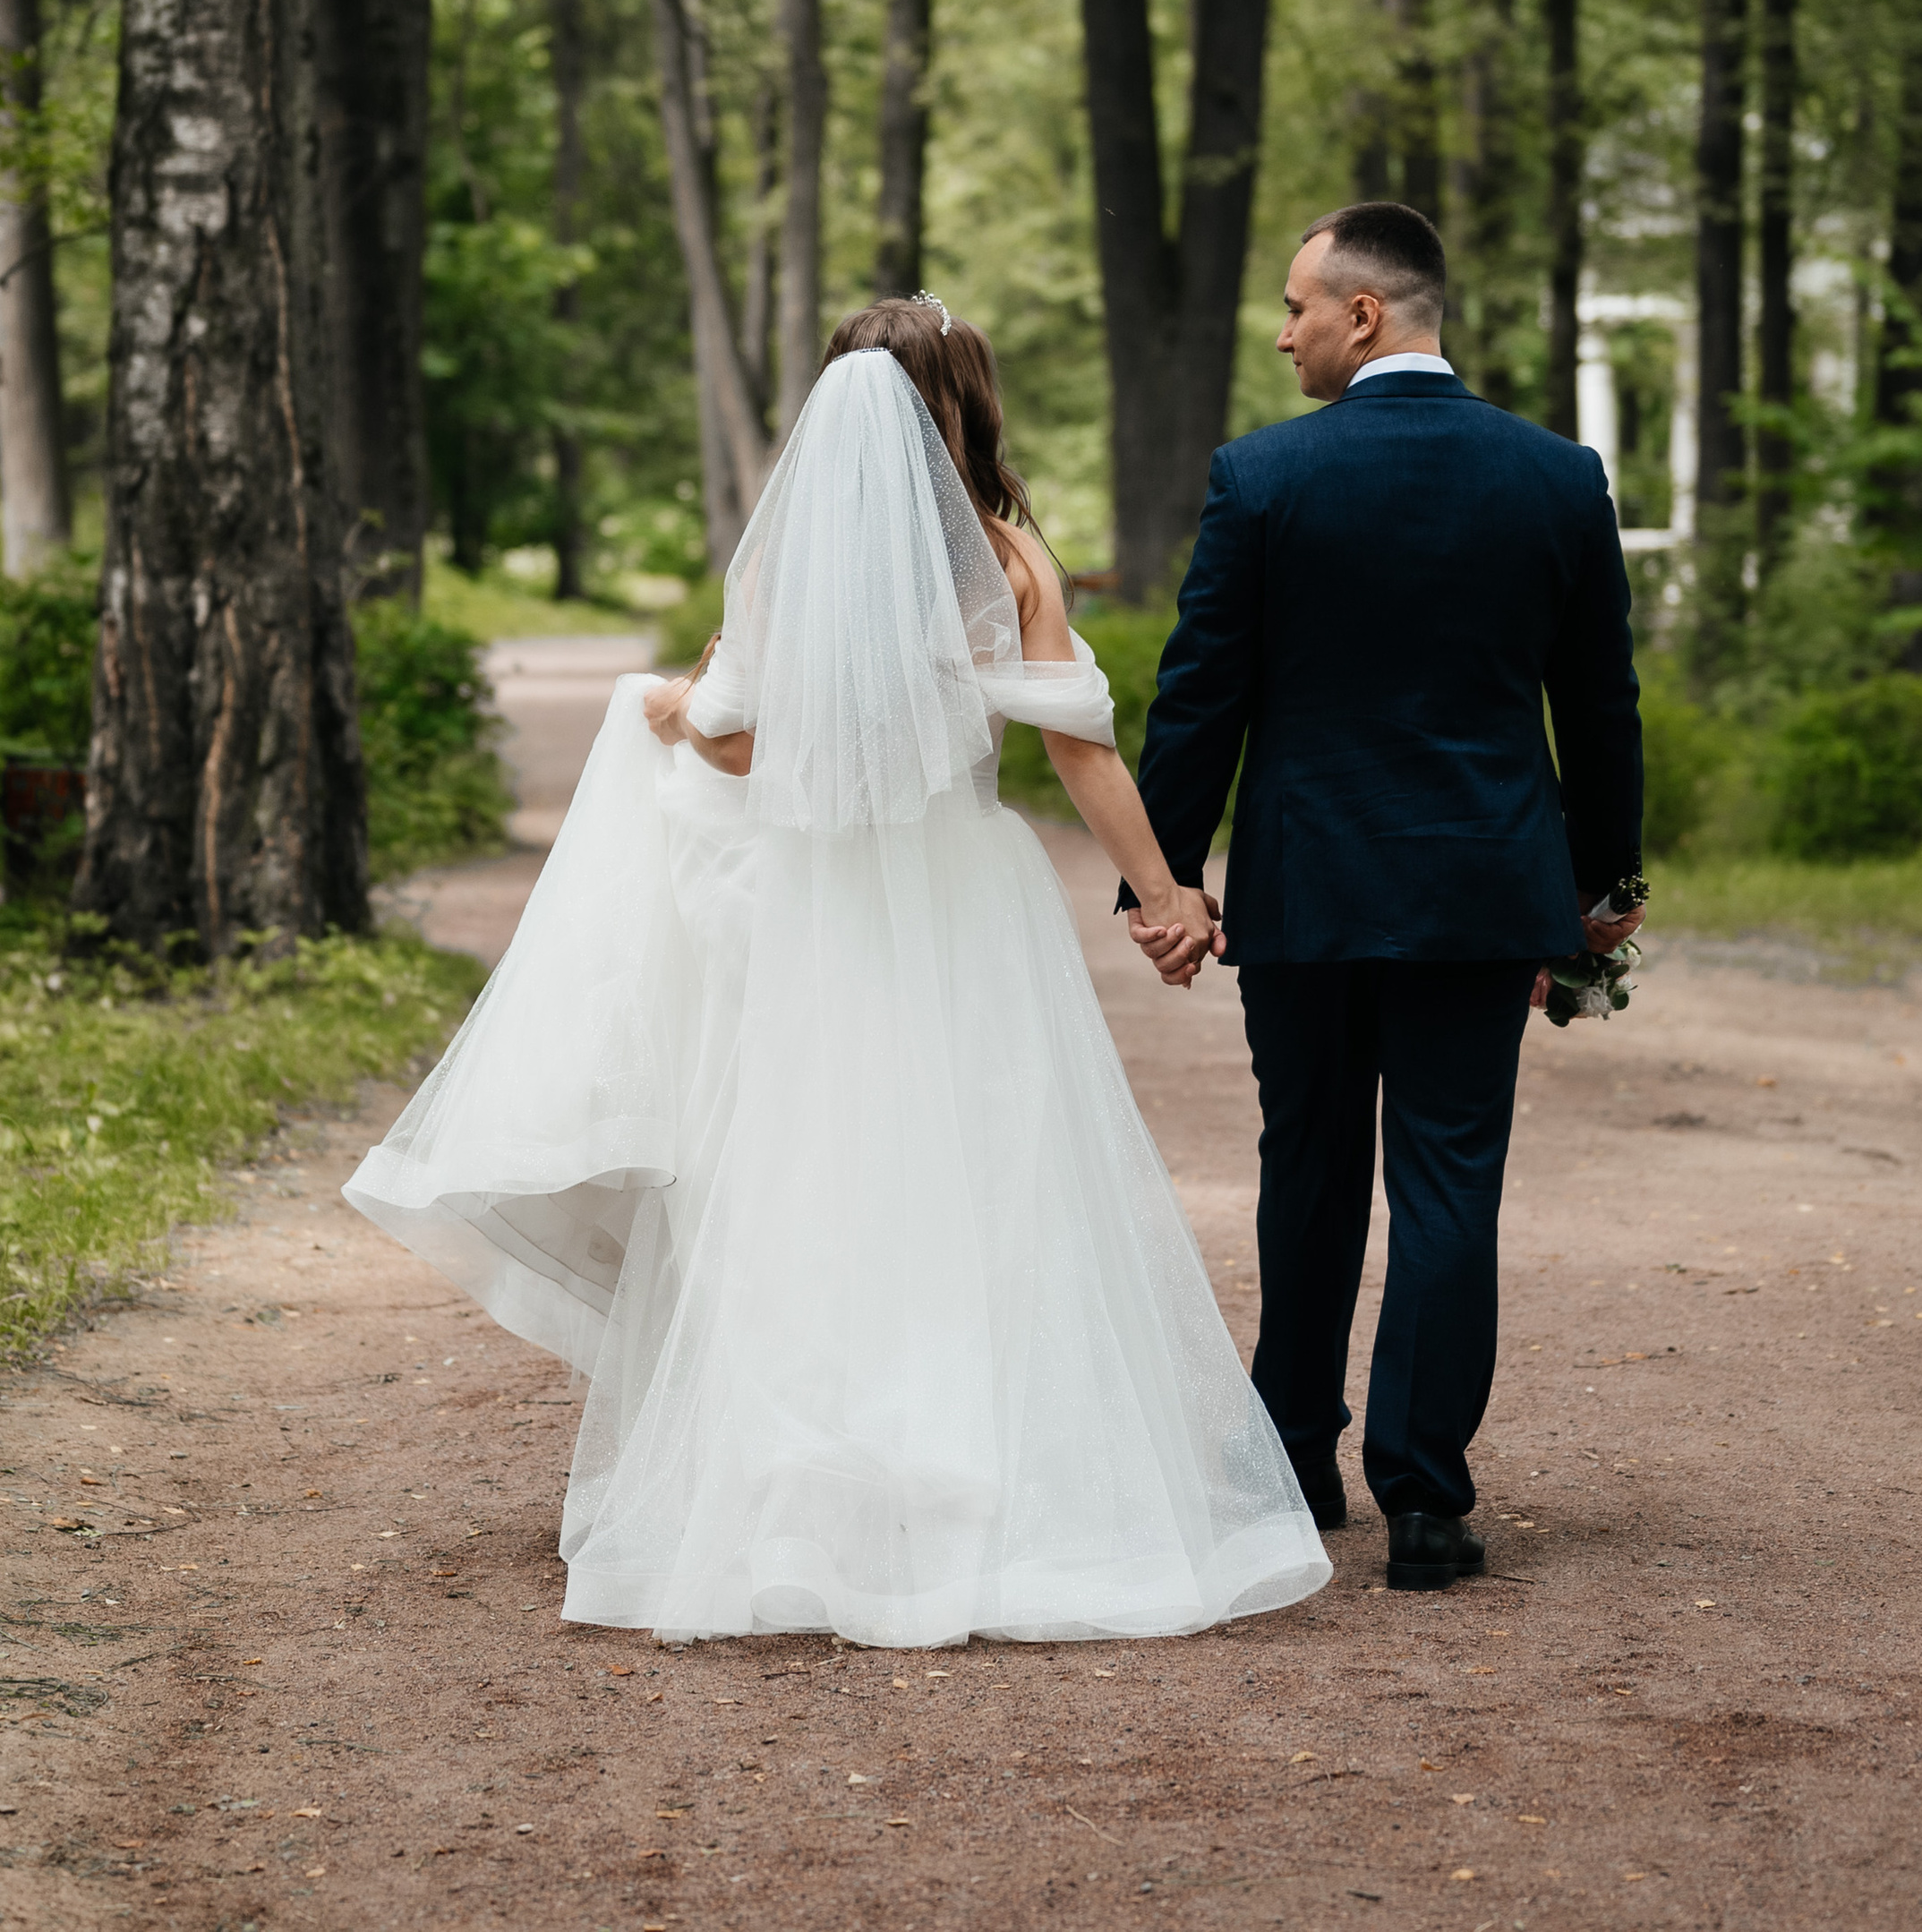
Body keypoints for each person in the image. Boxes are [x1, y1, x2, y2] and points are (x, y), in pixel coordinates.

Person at [345, 298, 1329, 1647]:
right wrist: (1166, 899)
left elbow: (738, 749)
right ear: (963, 403)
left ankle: (806, 1492)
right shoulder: (1010, 556)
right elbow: (1082, 749)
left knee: (808, 1174)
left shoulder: (786, 564)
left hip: (816, 908)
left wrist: (674, 707)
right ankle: (994, 1480)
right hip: (962, 898)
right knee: (987, 1171)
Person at [1130, 201, 1644, 1594]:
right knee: (1448, 1181)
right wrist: (1606, 880)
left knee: (1308, 1166)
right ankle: (1424, 1493)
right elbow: (1600, 705)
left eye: (1297, 305)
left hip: (1309, 888)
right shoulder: (1557, 477)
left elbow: (1202, 697)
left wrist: (1163, 872)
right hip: (1483, 890)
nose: (1284, 330)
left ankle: (1293, 1459)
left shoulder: (1265, 478)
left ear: (1366, 314)